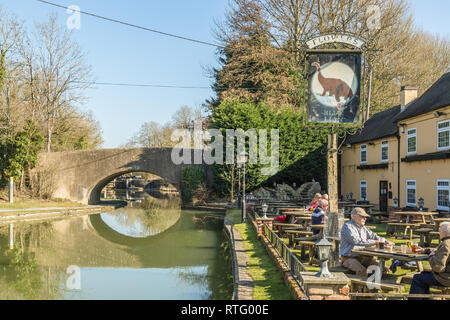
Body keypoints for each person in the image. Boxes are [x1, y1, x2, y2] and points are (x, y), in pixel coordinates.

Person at [339, 207, 394, 277]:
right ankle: (359, 287)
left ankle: (375, 286)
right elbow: (356, 241)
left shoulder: (363, 227)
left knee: (383, 269)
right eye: (362, 216)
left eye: (365, 217)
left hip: (363, 257)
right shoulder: (347, 226)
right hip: (349, 258)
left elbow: (374, 236)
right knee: (362, 271)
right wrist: (375, 242)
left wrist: (385, 241)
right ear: (353, 216)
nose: (365, 219)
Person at [409, 222, 450, 298]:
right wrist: (426, 250)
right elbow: (438, 251)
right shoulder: (447, 242)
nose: (439, 233)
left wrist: (430, 256)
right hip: (447, 275)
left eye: (440, 231)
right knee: (423, 274)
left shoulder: (446, 244)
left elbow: (438, 267)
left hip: (446, 279)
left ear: (444, 233)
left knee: (417, 278)